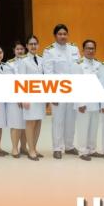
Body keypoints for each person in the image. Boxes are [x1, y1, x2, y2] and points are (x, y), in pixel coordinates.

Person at [44, 24, 81, 159]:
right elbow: (48, 73)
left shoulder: (74, 49)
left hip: (72, 89)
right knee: (58, 120)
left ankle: (69, 146)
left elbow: (79, 69)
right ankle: (57, 148)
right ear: (55, 36)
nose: (63, 36)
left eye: (65, 34)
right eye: (60, 34)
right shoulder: (49, 51)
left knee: (71, 119)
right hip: (58, 89)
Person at [73, 39, 101, 161]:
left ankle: (92, 149)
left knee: (94, 127)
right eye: (88, 48)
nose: (90, 50)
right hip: (83, 102)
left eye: (92, 48)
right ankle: (82, 151)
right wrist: (80, 102)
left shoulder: (98, 64)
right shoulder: (78, 64)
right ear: (83, 50)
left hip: (95, 102)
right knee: (83, 127)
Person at [20, 34, 46, 160]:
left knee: (38, 122)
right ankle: (30, 150)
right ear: (27, 46)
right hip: (29, 96)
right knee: (30, 122)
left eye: (35, 44)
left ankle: (34, 147)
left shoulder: (42, 60)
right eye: (31, 44)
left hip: (40, 95)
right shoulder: (23, 61)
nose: (33, 46)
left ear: (38, 45)